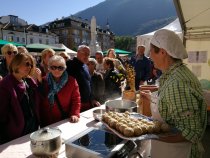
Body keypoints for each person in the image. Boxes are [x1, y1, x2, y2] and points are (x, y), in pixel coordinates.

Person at [146, 29, 207, 158]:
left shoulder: (177, 82)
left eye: (151, 51)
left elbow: (191, 132)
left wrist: (146, 134)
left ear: (162, 52)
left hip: (178, 153)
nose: (150, 56)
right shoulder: (174, 74)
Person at [0, 53, 40, 144]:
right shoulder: (5, 84)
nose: (29, 67)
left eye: (31, 64)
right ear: (16, 64)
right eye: (26, 64)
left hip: (32, 125)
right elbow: (2, 114)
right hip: (16, 131)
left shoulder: (28, 80)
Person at [39, 55, 81, 127]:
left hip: (64, 121)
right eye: (53, 67)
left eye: (60, 68)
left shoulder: (72, 81)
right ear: (49, 68)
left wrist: (74, 114)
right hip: (47, 122)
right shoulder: (43, 81)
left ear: (64, 68)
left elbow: (76, 100)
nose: (56, 70)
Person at [66, 45, 100, 112]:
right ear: (78, 52)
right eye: (85, 53)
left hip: (87, 102)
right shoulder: (69, 64)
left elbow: (89, 83)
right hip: (75, 104)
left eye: (88, 54)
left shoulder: (85, 66)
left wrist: (92, 99)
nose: (87, 56)